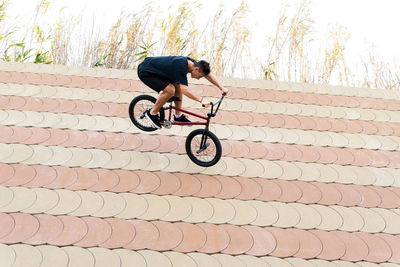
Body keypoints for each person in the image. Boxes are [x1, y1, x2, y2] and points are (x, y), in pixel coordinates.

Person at [137, 56, 229, 128]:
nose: (198, 79)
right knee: (170, 90)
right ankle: (152, 113)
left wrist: (221, 88)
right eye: (199, 76)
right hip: (146, 71)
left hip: (158, 71)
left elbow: (208, 75)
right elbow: (184, 89)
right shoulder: (180, 66)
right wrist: (201, 100)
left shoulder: (193, 64)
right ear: (196, 70)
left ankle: (178, 116)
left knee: (177, 86)